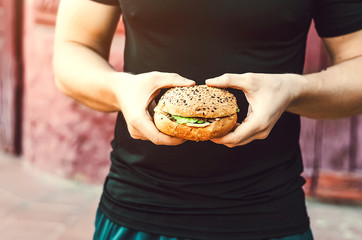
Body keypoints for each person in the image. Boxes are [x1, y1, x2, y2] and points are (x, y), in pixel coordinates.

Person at [53, 0, 362, 239]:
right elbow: (74, 47)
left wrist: (292, 90)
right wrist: (119, 88)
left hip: (268, 210)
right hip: (137, 204)